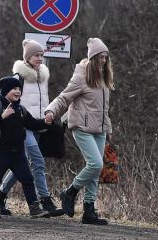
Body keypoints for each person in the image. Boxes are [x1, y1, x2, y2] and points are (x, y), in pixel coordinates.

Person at [44, 37, 114, 225]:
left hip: (99, 130)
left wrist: (108, 128)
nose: (104, 61)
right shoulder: (81, 76)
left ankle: (89, 211)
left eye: (106, 57)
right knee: (95, 164)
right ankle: (70, 192)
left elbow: (104, 108)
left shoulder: (104, 78)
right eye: (101, 57)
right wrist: (51, 111)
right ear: (93, 57)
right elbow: (64, 98)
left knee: (95, 170)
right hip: (81, 128)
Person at [0, 40, 63, 217]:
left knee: (22, 165)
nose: (40, 58)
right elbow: (2, 96)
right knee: (38, 162)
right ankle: (45, 201)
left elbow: (44, 101)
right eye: (36, 55)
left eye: (41, 55)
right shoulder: (19, 77)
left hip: (39, 125)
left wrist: (48, 115)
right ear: (27, 57)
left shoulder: (43, 76)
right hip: (23, 127)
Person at [0, 76, 51, 219]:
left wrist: (45, 122)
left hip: (17, 153)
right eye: (14, 88)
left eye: (19, 88)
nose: (18, 91)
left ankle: (34, 208)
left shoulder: (21, 109)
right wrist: (2, 116)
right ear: (6, 90)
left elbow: (33, 124)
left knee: (27, 179)